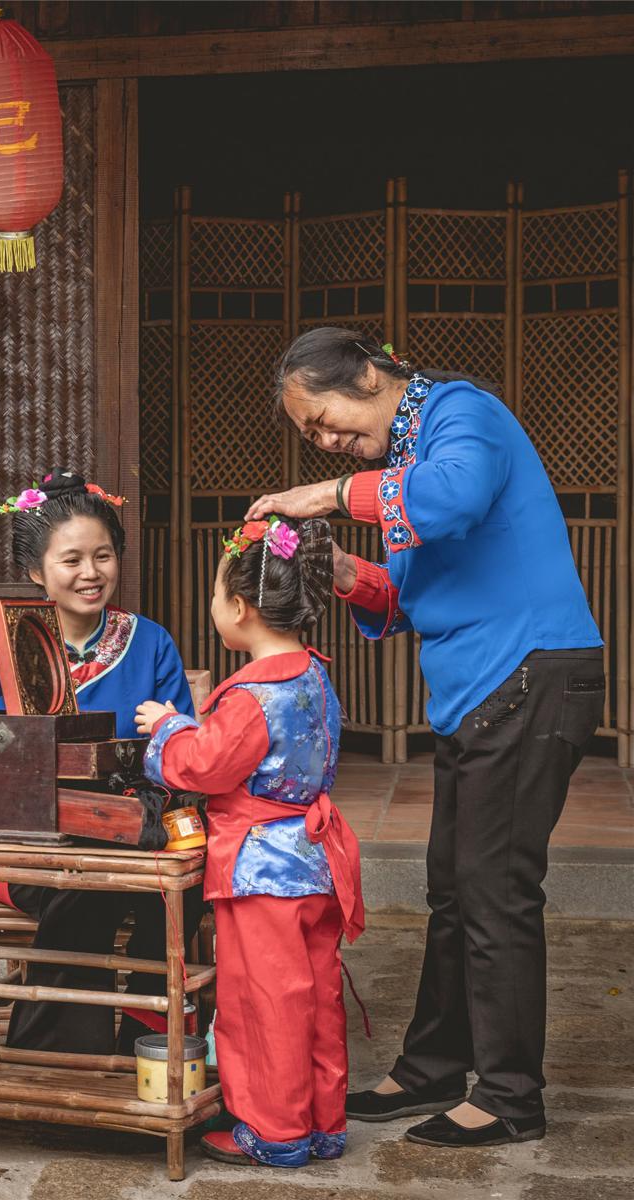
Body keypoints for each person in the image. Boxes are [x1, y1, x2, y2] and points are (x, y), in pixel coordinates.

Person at [246, 328, 605, 1148]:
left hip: (528, 673)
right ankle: (434, 1066)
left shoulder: (458, 413)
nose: (327, 440)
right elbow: (403, 601)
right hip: (485, 690)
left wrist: (327, 491)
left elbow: (455, 498)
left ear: (370, 374)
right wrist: (341, 572)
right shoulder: (404, 466)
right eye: (311, 438)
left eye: (326, 420)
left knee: (493, 889)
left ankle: (511, 1097)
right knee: (454, 883)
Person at [135, 515, 365, 1168]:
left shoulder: (251, 696)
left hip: (262, 870)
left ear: (239, 608)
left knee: (265, 1004)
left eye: (215, 597)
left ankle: (274, 1131)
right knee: (315, 997)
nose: (215, 608)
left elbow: (205, 766)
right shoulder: (314, 677)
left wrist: (171, 726)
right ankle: (323, 1123)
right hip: (315, 864)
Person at [0, 467, 202, 1055]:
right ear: (36, 572)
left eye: (102, 556)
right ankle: (66, 1056)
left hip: (128, 830)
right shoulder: (8, 647)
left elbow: (180, 747)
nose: (90, 573)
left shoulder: (150, 640)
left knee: (173, 881)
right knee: (94, 881)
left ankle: (144, 1038)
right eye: (72, 559)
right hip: (30, 845)